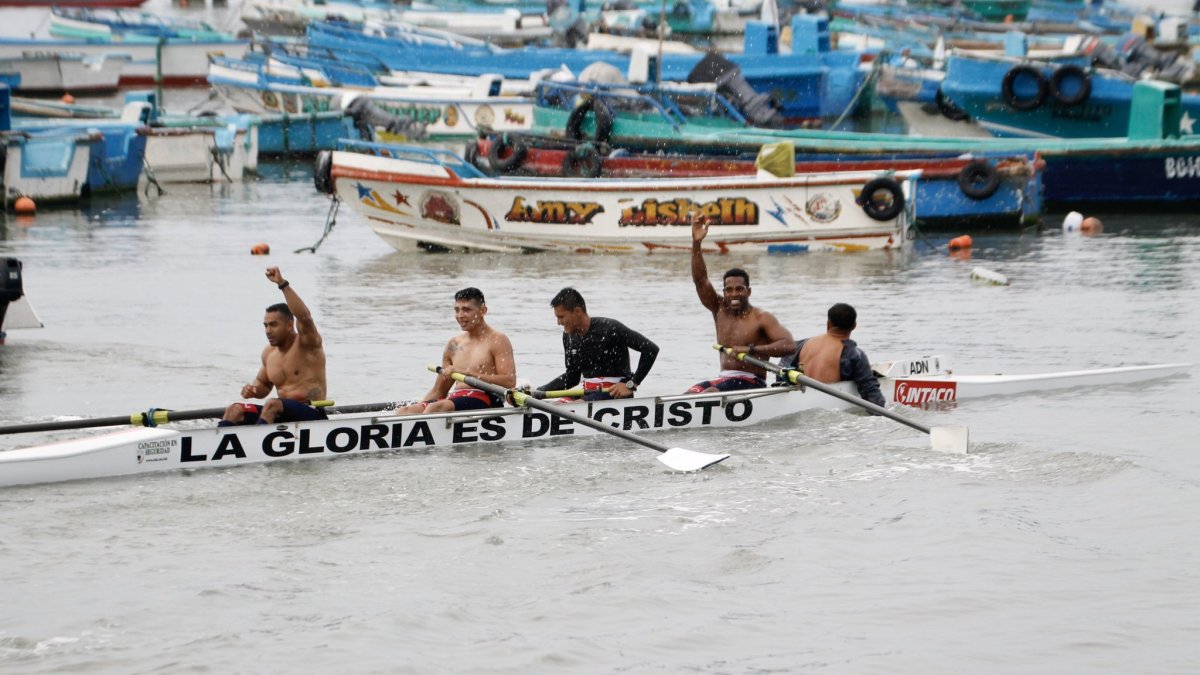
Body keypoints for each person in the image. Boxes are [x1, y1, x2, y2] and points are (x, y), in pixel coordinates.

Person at [688, 217, 794, 392]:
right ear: (724, 293)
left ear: (748, 291)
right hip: (722, 379)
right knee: (688, 395)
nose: (734, 294)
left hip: (752, 382)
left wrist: (751, 349)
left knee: (711, 394)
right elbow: (700, 280)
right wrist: (696, 243)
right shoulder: (719, 308)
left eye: (739, 289)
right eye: (728, 290)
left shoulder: (761, 318)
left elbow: (788, 345)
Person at [221, 267, 328, 426]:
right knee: (234, 409)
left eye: (273, 325)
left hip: (312, 413)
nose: (268, 331)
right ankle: (221, 446)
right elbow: (263, 385)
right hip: (281, 412)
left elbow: (304, 317)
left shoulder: (308, 344)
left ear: (290, 325)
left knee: (271, 404)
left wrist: (282, 284)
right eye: (265, 325)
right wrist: (252, 390)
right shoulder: (269, 353)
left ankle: (256, 444)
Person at [396, 287, 516, 415]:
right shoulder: (453, 344)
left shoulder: (498, 340)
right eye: (457, 310)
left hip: (486, 398)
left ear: (482, 311)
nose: (460, 315)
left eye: (466, 310)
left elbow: (509, 382)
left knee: (435, 408)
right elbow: (439, 391)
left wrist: (468, 374)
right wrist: (421, 406)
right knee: (405, 411)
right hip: (455, 398)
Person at [538, 287, 659, 401]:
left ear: (577, 311)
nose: (558, 323)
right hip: (588, 390)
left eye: (561, 317)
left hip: (613, 391)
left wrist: (632, 384)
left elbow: (650, 349)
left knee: (573, 405)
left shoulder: (610, 328)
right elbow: (571, 378)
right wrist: (540, 392)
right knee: (553, 404)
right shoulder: (569, 337)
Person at [780, 303, 885, 407]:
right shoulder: (853, 354)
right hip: (829, 409)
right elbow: (872, 396)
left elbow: (781, 372)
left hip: (799, 403)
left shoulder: (801, 344)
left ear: (828, 324)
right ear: (854, 326)